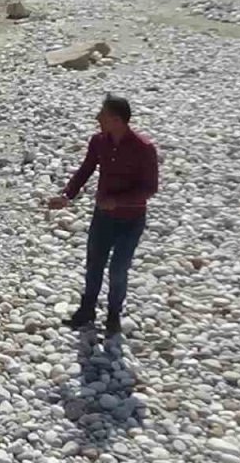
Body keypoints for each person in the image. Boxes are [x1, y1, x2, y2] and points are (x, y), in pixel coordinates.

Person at [48, 95, 159, 335]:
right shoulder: (99, 141)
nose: (98, 118)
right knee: (93, 265)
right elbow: (86, 169)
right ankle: (86, 310)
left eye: (103, 114)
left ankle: (113, 316)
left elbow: (150, 188)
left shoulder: (144, 148)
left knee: (119, 269)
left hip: (131, 221)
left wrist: (117, 201)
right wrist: (67, 195)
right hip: (103, 218)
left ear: (117, 120)